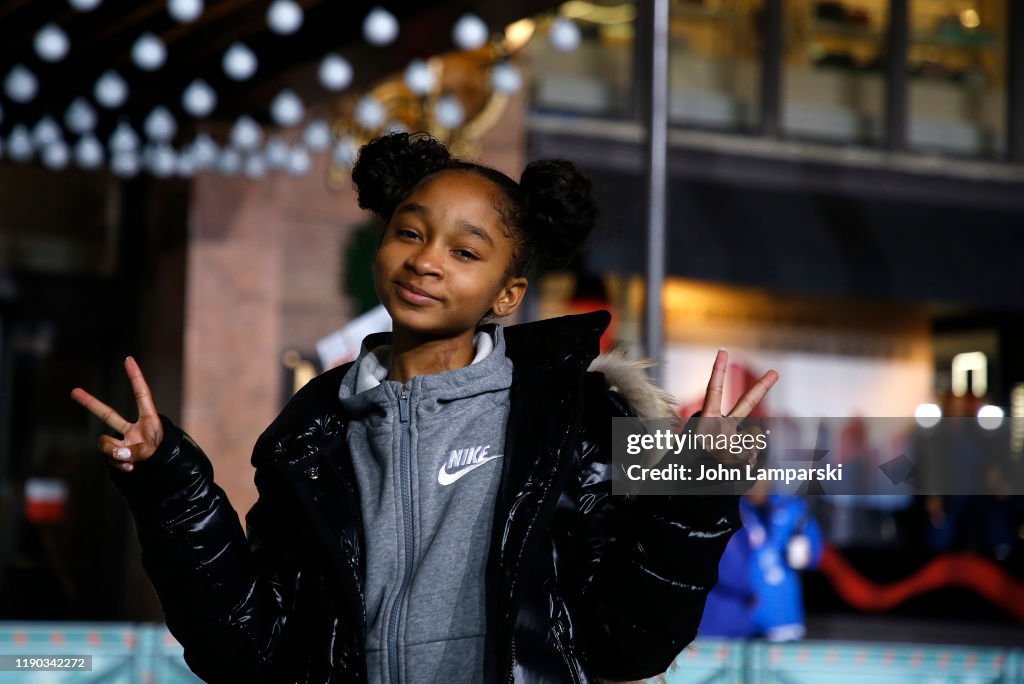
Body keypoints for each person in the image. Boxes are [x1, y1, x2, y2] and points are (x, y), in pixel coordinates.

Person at [70, 132, 779, 683]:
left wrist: (698, 484)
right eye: (410, 232)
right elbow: (249, 650)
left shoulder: (580, 419)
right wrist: (169, 486)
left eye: (466, 251)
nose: (427, 260)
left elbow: (631, 642)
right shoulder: (309, 439)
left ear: (508, 293)